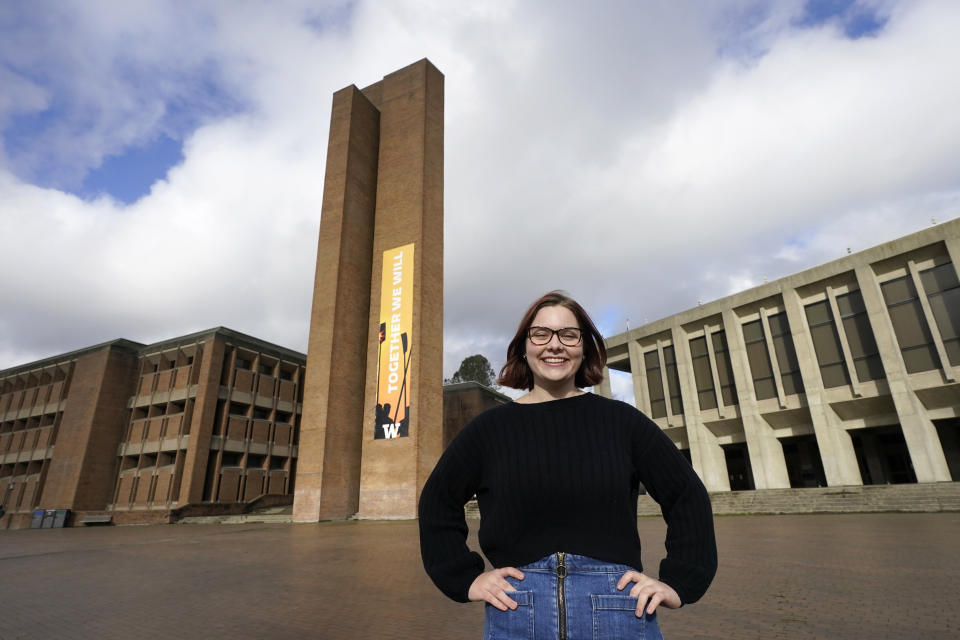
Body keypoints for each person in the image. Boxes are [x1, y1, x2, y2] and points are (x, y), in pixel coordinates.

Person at [418, 291, 717, 639]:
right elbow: (438, 501)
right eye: (541, 334)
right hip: (518, 612)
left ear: (584, 347)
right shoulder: (488, 429)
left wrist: (681, 581)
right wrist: (465, 578)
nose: (554, 345)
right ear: (523, 347)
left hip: (617, 611)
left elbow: (687, 496)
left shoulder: (622, 422)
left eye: (568, 335)